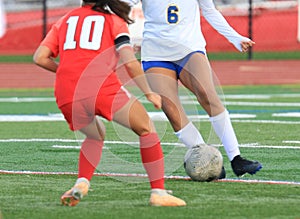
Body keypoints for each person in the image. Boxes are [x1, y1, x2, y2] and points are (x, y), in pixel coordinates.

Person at [33, 0, 186, 207]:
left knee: (95, 134)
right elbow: (130, 62)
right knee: (146, 128)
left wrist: (68, 70)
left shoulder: (65, 20)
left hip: (66, 91)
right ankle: (158, 192)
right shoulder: (113, 21)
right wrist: (149, 92)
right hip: (100, 87)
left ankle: (81, 183)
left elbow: (39, 58)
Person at [121, 0, 262, 177]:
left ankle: (236, 158)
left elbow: (210, 11)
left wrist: (235, 37)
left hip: (190, 48)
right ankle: (206, 157)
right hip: (156, 53)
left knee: (207, 94)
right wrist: (122, 39)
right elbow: (121, 4)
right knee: (171, 109)